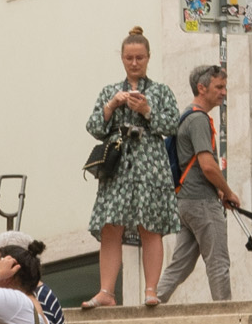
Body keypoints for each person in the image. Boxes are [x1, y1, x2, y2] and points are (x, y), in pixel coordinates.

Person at [83, 25, 181, 307]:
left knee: (150, 225)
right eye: (129, 58)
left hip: (150, 164)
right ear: (122, 59)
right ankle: (106, 292)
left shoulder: (161, 92)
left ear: (148, 57)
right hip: (118, 165)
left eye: (139, 57)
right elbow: (93, 127)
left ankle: (151, 290)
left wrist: (146, 111)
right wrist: (113, 105)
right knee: (110, 226)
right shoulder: (109, 91)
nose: (135, 63)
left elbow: (173, 125)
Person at [155, 63, 240, 304]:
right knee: (218, 261)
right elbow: (208, 165)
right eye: (219, 87)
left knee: (180, 265)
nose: (224, 92)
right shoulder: (199, 120)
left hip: (184, 202)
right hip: (202, 201)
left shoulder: (185, 116)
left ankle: (153, 302)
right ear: (201, 88)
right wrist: (228, 192)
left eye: (225, 87)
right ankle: (226, 314)